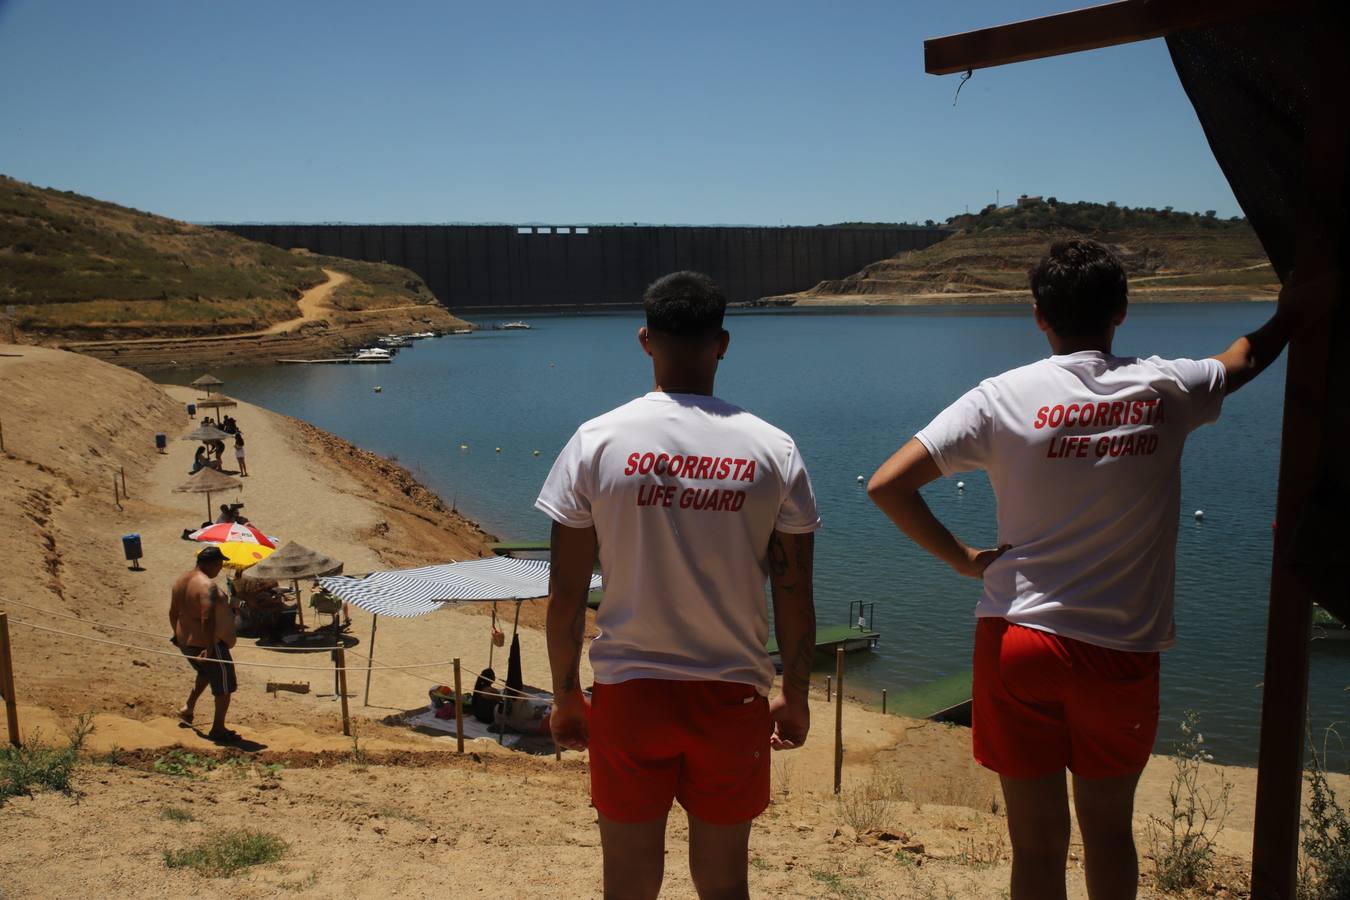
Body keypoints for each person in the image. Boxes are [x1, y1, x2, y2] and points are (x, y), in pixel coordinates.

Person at [867, 239, 1312, 900]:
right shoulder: (1167, 386)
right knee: (1108, 835)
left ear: (1039, 316)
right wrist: (1293, 312)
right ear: (1121, 312)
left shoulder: (1000, 397)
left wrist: (963, 559)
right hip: (1119, 652)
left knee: (1036, 846)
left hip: (1016, 641)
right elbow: (1247, 356)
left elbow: (887, 484)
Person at [538, 271, 820, 900]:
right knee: (724, 883)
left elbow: (565, 594)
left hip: (630, 697)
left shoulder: (596, 442)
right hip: (731, 699)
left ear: (645, 341)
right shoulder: (773, 449)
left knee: (629, 883)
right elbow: (794, 592)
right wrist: (795, 694)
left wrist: (565, 696)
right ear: (722, 343)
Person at [169, 545, 240, 742]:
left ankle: (188, 707)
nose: (220, 569)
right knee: (224, 687)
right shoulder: (207, 586)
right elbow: (206, 619)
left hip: (186, 641)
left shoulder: (180, 581)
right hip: (209, 644)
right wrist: (209, 648)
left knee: (204, 673)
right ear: (213, 564)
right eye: (220, 565)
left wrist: (176, 633)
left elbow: (173, 612)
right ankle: (218, 728)